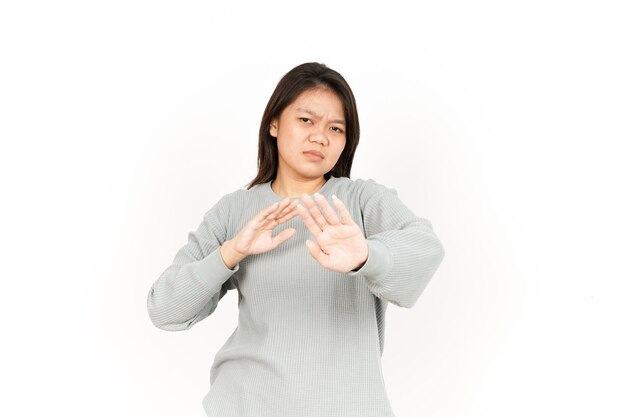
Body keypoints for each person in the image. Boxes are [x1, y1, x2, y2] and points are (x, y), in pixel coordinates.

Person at [147, 62, 445, 417]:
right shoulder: (235, 211)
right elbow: (164, 310)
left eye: (336, 128)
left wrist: (366, 255)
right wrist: (229, 254)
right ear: (274, 123)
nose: (320, 136)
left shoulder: (362, 202)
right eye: (306, 120)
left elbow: (426, 249)